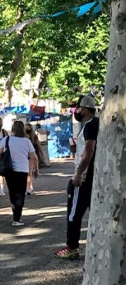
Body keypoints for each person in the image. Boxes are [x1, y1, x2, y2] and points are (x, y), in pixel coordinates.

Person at [56, 96, 99, 260]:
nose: (75, 111)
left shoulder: (90, 126)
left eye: (77, 108)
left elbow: (89, 151)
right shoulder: (94, 125)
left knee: (74, 213)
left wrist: (79, 173)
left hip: (84, 178)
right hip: (92, 176)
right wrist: (76, 149)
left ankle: (72, 247)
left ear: (85, 110)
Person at [0, 120, 39, 227]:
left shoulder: (6, 139)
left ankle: (15, 216)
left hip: (10, 170)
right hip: (23, 170)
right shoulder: (27, 141)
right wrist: (36, 169)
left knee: (13, 193)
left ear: (13, 129)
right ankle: (17, 218)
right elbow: (34, 157)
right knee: (20, 194)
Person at [24, 124, 44, 195]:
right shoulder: (27, 137)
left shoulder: (32, 137)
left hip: (30, 156)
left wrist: (41, 155)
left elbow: (38, 146)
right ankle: (30, 187)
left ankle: (28, 188)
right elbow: (38, 146)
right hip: (29, 156)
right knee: (29, 173)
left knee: (29, 173)